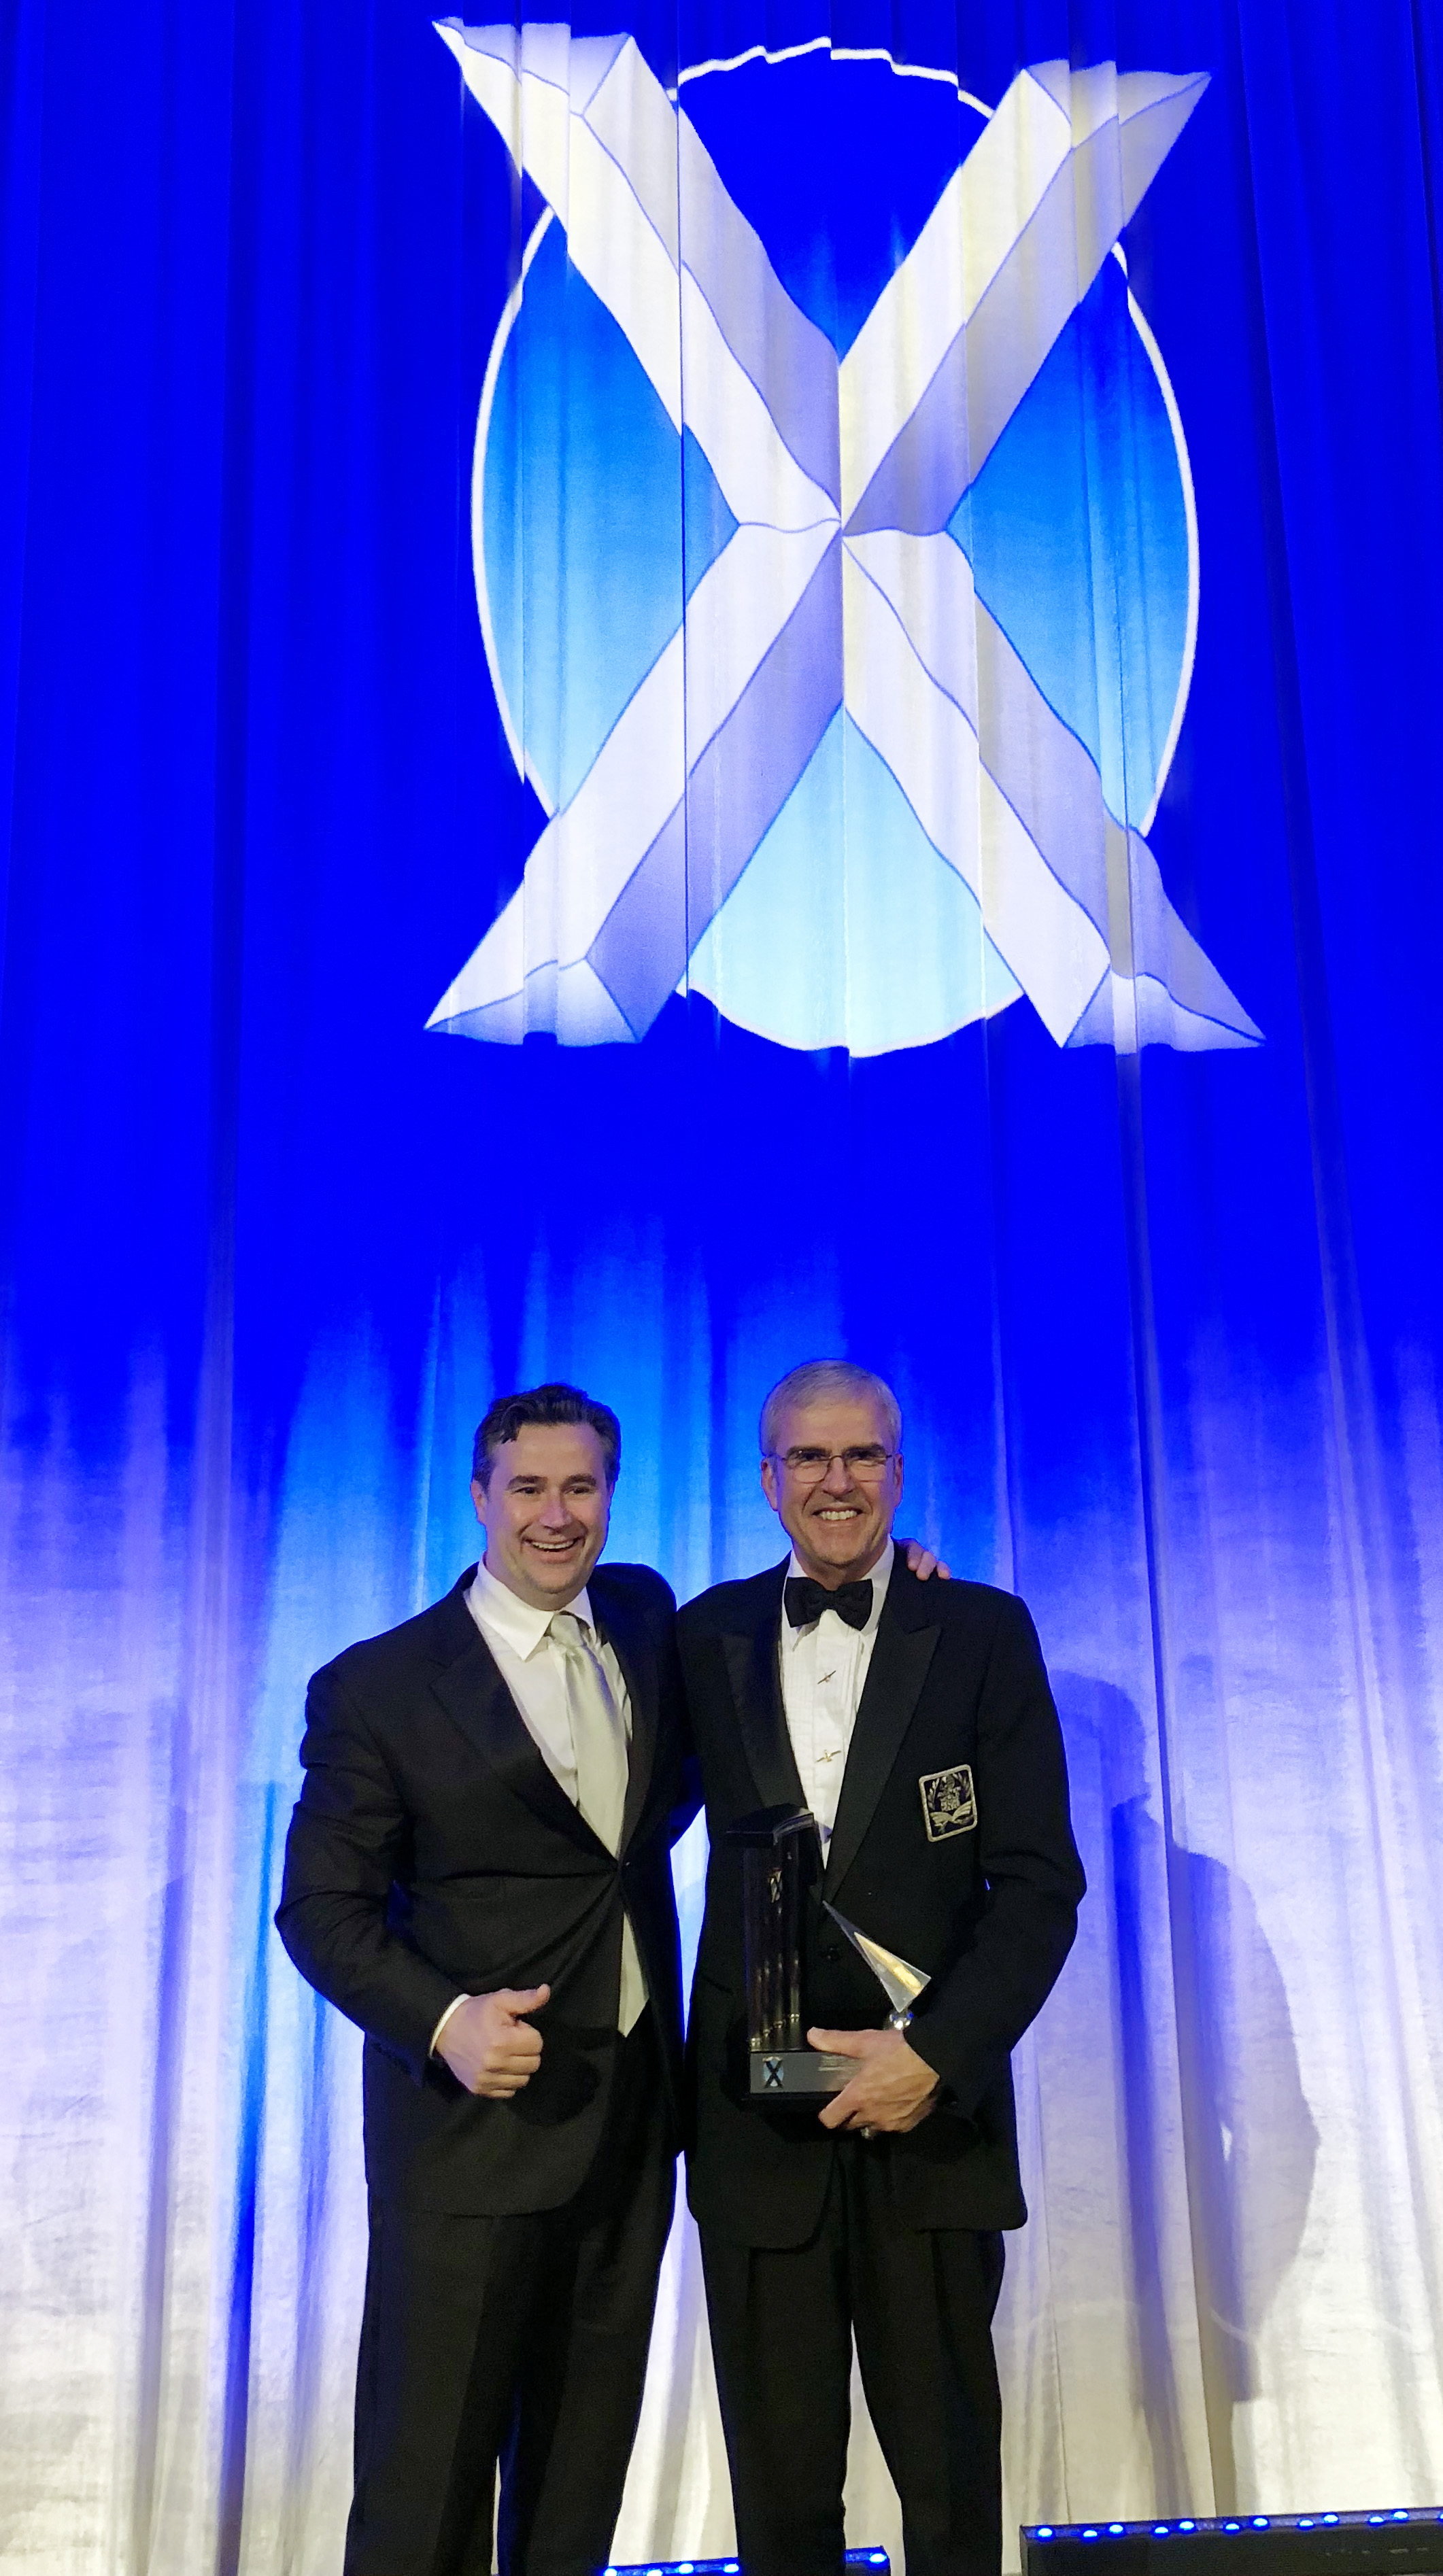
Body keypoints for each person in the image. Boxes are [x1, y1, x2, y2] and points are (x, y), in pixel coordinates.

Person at [275, 1381, 696, 2576]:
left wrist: (898, 1574)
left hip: (626, 2127)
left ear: (610, 1494)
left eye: (580, 1486)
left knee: (575, 2494)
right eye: (527, 1488)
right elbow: (320, 1908)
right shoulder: (379, 1686)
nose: (554, 1515)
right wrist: (445, 2021)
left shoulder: (645, 1614)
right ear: (477, 1496)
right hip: (466, 2134)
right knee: (429, 2488)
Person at [678, 1359, 1086, 2576]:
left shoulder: (979, 1629)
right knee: (780, 2498)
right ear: (765, 1480)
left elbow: (1039, 1886)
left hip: (929, 2126)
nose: (836, 1480)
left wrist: (935, 2057)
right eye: (808, 1456)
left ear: (900, 1474)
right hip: (760, 2136)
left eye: (862, 1456)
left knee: (950, 2487)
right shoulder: (698, 1634)